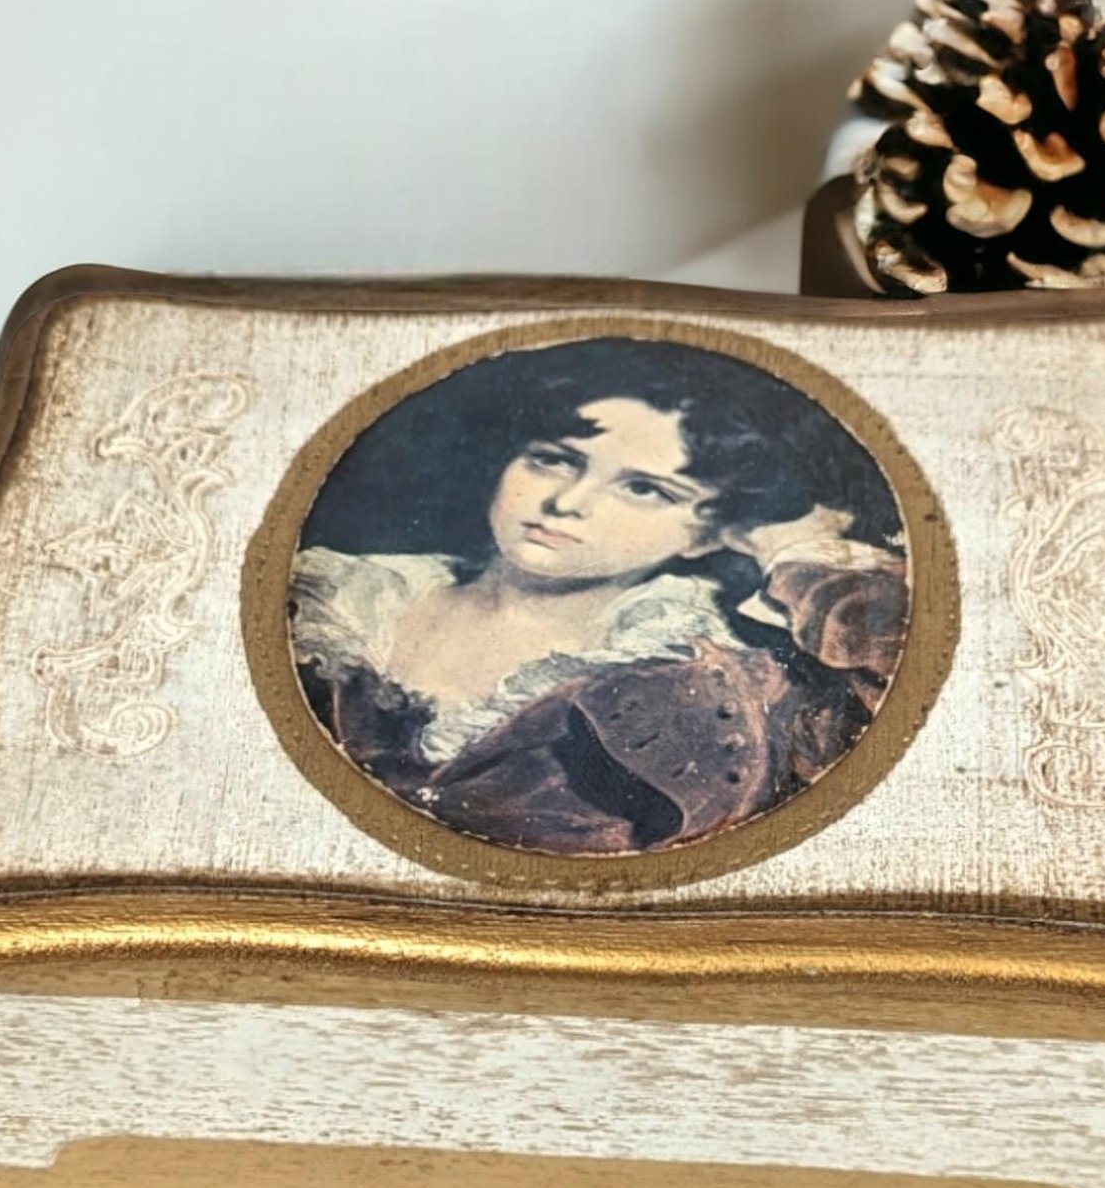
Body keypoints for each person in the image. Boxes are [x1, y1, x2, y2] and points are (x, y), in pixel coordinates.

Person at [289, 336, 909, 856]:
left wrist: (787, 543)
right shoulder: (340, 598)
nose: (568, 503)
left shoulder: (706, 687)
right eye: (554, 461)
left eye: (645, 490)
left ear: (706, 535)